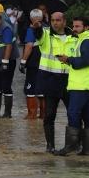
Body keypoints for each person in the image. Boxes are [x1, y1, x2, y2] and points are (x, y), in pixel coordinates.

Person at [32, 11, 76, 153]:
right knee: (50, 114)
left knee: (73, 114)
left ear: (64, 21)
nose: (55, 23)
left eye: (58, 20)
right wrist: (37, 27)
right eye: (52, 20)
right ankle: (50, 145)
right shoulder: (45, 34)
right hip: (50, 80)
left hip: (70, 81)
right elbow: (38, 35)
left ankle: (73, 145)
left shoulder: (74, 36)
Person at [55, 17, 89, 155]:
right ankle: (87, 149)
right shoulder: (85, 39)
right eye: (73, 26)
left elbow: (86, 60)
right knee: (88, 116)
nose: (74, 29)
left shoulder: (86, 40)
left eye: (77, 26)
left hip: (81, 85)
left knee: (73, 113)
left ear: (86, 27)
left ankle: (71, 146)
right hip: (86, 84)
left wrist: (68, 59)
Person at [19, 9, 44, 119]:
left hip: (33, 63)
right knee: (42, 90)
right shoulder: (48, 28)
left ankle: (31, 115)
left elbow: (29, 47)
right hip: (46, 64)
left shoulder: (31, 30)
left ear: (31, 18)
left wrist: (23, 62)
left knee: (30, 89)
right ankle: (43, 115)